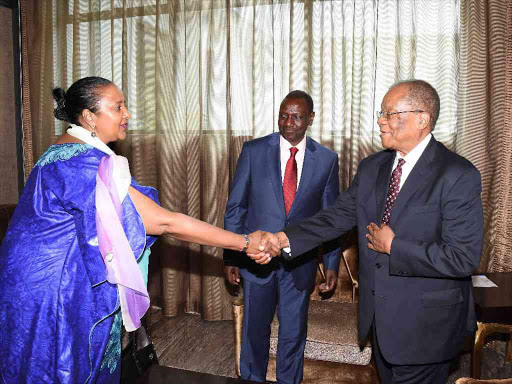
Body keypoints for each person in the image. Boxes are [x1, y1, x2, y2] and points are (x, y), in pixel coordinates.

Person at [0, 76, 277, 384]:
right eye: (118, 107)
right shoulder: (81, 164)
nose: (128, 114)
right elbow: (163, 221)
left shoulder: (69, 151)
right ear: (89, 117)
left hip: (32, 281)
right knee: (61, 369)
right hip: (51, 292)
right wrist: (245, 241)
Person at [254, 80, 484, 384]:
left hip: (426, 328)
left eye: (390, 114)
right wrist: (282, 239)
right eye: (381, 113)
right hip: (380, 322)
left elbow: (463, 257)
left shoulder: (457, 174)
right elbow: (335, 217)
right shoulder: (373, 167)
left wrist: (395, 246)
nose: (380, 120)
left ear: (421, 119)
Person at [224, 90, 341, 384]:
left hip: (298, 264)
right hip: (256, 260)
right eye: (283, 115)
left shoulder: (326, 160)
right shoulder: (253, 151)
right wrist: (232, 255)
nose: (288, 122)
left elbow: (330, 220)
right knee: (254, 331)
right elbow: (236, 207)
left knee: (293, 334)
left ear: (310, 119)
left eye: (297, 116)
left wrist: (331, 264)